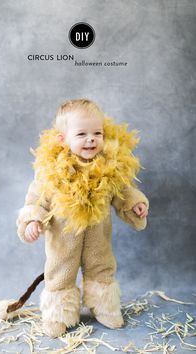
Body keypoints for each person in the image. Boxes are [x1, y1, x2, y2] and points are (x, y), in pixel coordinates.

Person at [16, 99, 149, 338]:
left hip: (98, 235)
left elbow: (122, 192)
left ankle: (104, 307)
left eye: (97, 133)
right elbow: (37, 200)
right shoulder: (51, 171)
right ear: (62, 139)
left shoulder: (110, 166)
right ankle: (58, 314)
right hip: (63, 238)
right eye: (82, 134)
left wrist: (135, 204)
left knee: (102, 266)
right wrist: (32, 222)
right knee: (60, 272)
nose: (91, 139)